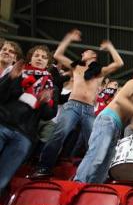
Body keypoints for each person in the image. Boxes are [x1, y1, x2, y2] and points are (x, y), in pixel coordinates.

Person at [32, 30, 124, 178]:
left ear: (93, 55)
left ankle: (91, 174)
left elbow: (119, 63)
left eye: (85, 53)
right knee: (59, 134)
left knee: (93, 142)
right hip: (72, 106)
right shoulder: (77, 67)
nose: (82, 54)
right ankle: (44, 167)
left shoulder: (99, 72)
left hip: (89, 110)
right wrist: (68, 38)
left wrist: (110, 47)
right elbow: (57, 55)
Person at [74, 67, 133, 183]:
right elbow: (119, 99)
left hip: (117, 127)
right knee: (97, 155)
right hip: (107, 120)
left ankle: (93, 187)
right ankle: (79, 181)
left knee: (105, 164)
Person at [0, 45, 59, 193]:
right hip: (2, 125)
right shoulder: (18, 72)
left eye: (44, 57)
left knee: (3, 179)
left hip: (24, 136)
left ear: (48, 63)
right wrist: (11, 79)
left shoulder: (51, 87)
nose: (40, 58)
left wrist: (44, 102)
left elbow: (49, 115)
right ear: (30, 58)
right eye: (37, 55)